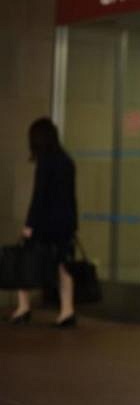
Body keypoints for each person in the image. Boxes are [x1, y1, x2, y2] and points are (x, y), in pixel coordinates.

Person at [7, 118, 78, 327]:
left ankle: (23, 307)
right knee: (63, 266)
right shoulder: (66, 160)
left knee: (23, 261)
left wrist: (29, 225)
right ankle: (67, 311)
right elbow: (70, 198)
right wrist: (73, 224)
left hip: (45, 224)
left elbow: (39, 197)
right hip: (64, 224)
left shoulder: (45, 161)